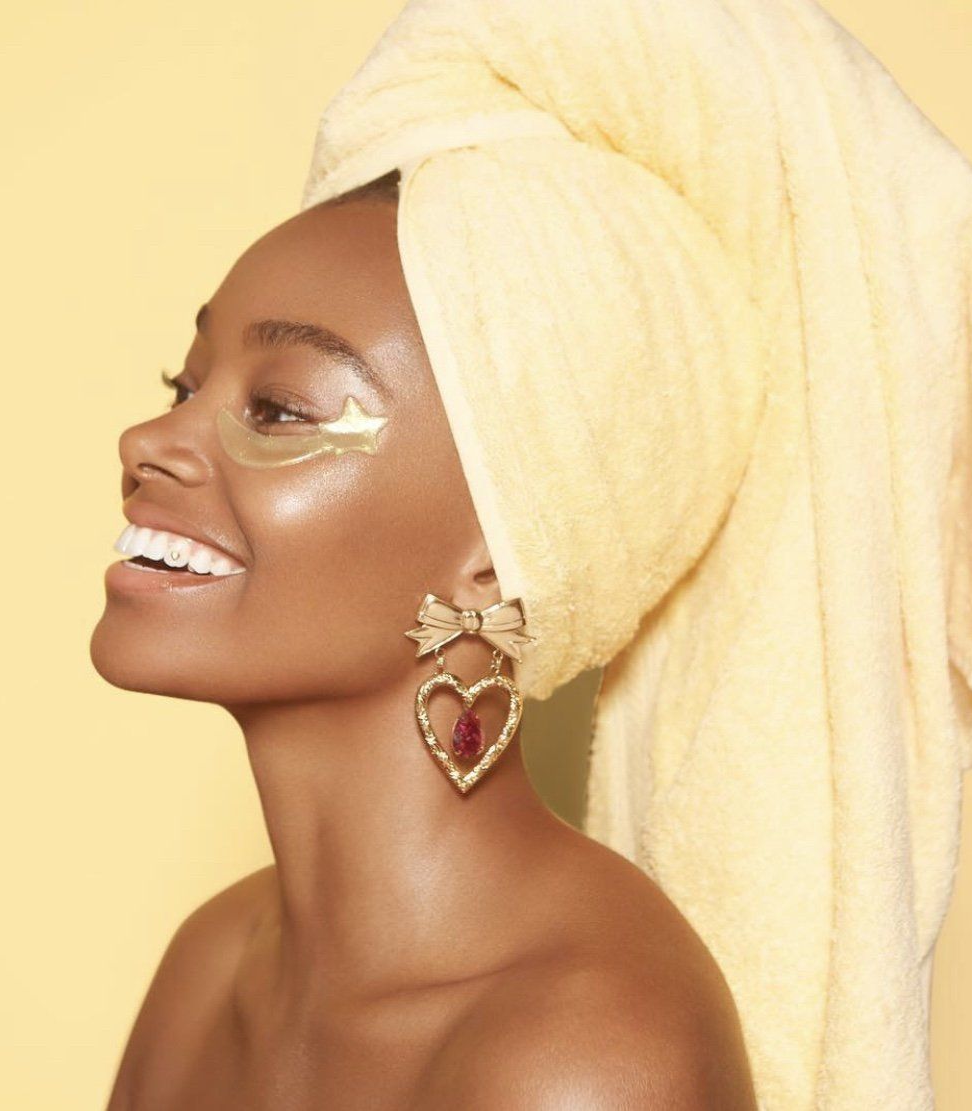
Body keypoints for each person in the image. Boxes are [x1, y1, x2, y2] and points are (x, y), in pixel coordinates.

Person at [90, 169, 757, 1110]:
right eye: (185, 383)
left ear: (494, 558)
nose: (147, 438)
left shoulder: (587, 1054)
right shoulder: (211, 966)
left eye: (278, 409)